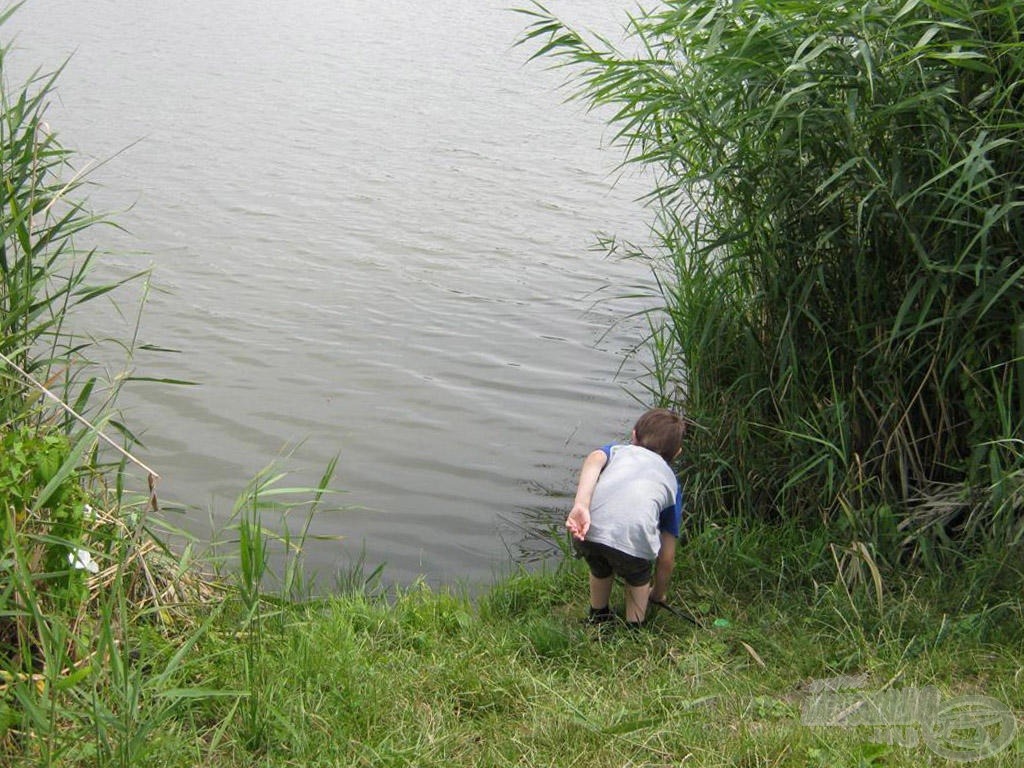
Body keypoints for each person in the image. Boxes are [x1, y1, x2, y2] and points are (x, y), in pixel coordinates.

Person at [565, 408, 685, 627]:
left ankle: (598, 615)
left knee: (600, 567)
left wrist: (581, 504)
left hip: (587, 533)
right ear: (676, 454)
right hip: (632, 545)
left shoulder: (618, 451)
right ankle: (633, 627)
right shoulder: (672, 483)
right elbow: (666, 557)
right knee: (637, 578)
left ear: (633, 436)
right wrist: (658, 594)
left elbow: (594, 457)